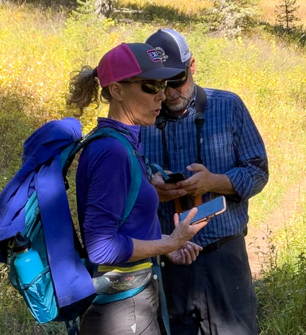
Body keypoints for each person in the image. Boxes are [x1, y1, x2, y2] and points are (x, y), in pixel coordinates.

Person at [67, 42, 209, 335]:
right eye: (150, 85)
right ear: (117, 90)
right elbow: (101, 247)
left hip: (132, 301)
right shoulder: (112, 151)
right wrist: (169, 243)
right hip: (120, 312)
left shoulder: (125, 142)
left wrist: (164, 244)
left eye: (165, 83)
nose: (162, 94)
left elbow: (125, 224)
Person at [140, 28, 269, 335]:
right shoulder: (140, 121)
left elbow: (258, 170)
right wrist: (154, 192)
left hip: (224, 254)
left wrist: (214, 182)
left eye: (178, 81)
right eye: (160, 85)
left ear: (193, 66)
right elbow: (128, 188)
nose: (171, 93)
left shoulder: (228, 106)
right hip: (169, 258)